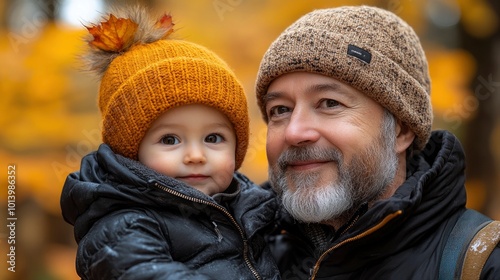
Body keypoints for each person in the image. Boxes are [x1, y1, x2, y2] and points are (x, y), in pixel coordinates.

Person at [255, 5, 500, 279]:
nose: (294, 132)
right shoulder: (240, 254)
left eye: (330, 103)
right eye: (280, 110)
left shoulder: (484, 263)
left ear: (402, 130)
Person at [60, 6, 280, 280]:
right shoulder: (124, 225)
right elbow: (142, 272)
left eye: (213, 138)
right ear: (132, 152)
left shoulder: (249, 206)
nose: (195, 155)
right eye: (170, 139)